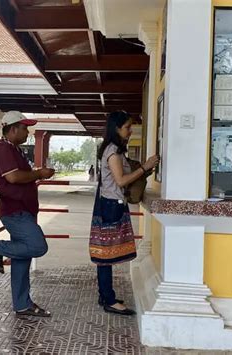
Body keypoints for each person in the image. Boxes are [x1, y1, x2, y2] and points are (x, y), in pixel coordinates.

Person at [89, 111, 159, 316]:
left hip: (109, 203)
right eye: (127, 127)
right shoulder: (113, 151)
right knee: (107, 254)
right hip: (111, 204)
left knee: (106, 254)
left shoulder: (113, 149)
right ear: (116, 128)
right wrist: (144, 167)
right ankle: (109, 299)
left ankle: (106, 295)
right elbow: (121, 180)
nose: (130, 131)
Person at [0, 111, 55, 317]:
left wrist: (36, 174)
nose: (28, 132)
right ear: (13, 128)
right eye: (25, 128)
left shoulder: (13, 149)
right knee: (38, 246)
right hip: (15, 211)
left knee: (22, 257)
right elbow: (13, 177)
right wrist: (39, 173)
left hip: (23, 209)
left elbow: (21, 176)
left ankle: (22, 304)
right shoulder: (3, 149)